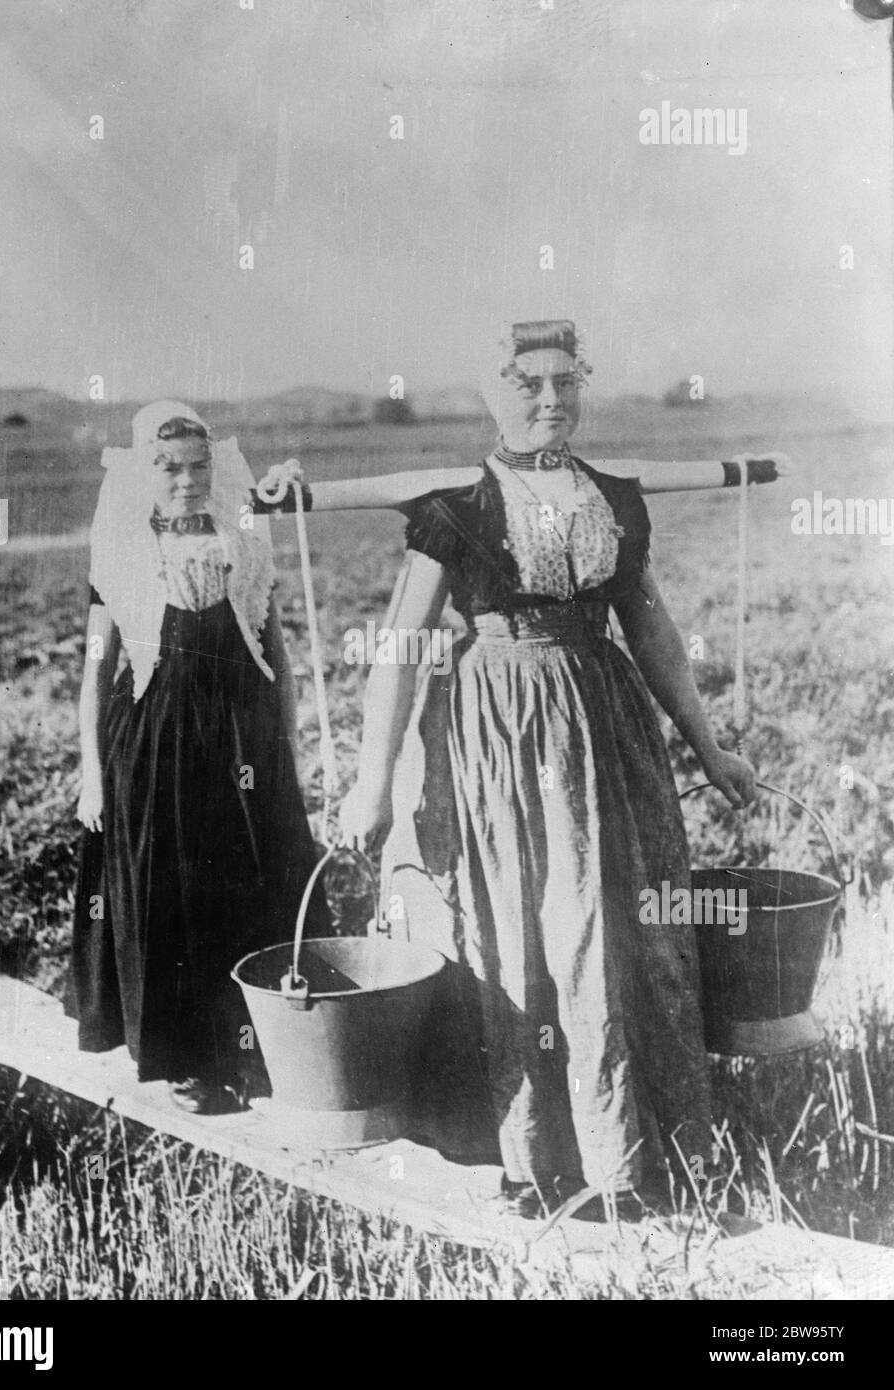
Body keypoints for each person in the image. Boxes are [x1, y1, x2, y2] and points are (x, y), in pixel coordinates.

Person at [338, 320, 761, 1219]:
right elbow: (402, 648)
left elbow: (651, 632)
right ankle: (539, 1165)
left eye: (566, 382)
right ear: (497, 392)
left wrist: (709, 746)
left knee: (620, 929)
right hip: (499, 737)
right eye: (529, 384)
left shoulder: (611, 497)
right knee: (526, 932)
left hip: (607, 735)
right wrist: (374, 782)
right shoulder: (457, 505)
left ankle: (637, 1161)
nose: (550, 400)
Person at [70, 400, 327, 1114]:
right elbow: (96, 670)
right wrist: (94, 775)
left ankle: (266, 1048)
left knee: (252, 881)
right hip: (158, 740)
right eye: (168, 467)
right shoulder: (121, 554)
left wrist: (286, 749)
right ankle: (191, 1061)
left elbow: (274, 651)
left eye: (197, 466)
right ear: (142, 474)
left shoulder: (243, 544)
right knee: (179, 894)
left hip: (242, 737)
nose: (186, 480)